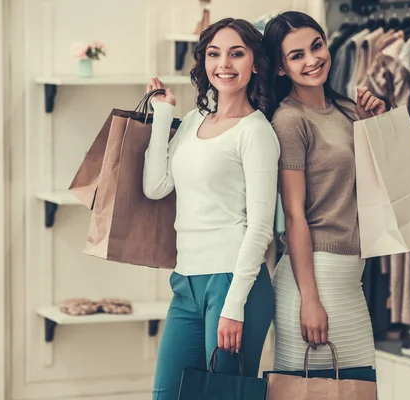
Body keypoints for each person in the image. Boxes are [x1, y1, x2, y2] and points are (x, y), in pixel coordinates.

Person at [143, 18, 280, 400]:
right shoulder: (193, 121)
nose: (225, 64)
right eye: (214, 53)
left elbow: (260, 227)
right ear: (203, 61)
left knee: (223, 396)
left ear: (255, 63)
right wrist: (164, 117)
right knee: (167, 395)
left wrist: (234, 305)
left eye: (237, 53)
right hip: (186, 281)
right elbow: (155, 187)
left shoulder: (256, 132)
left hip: (234, 284)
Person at [263, 11, 386, 374]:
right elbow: (294, 214)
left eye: (316, 46)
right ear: (281, 68)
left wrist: (369, 125)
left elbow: (370, 190)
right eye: (296, 55)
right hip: (315, 276)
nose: (313, 59)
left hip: (351, 278)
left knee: (360, 390)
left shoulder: (348, 109)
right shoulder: (289, 120)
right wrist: (310, 300)